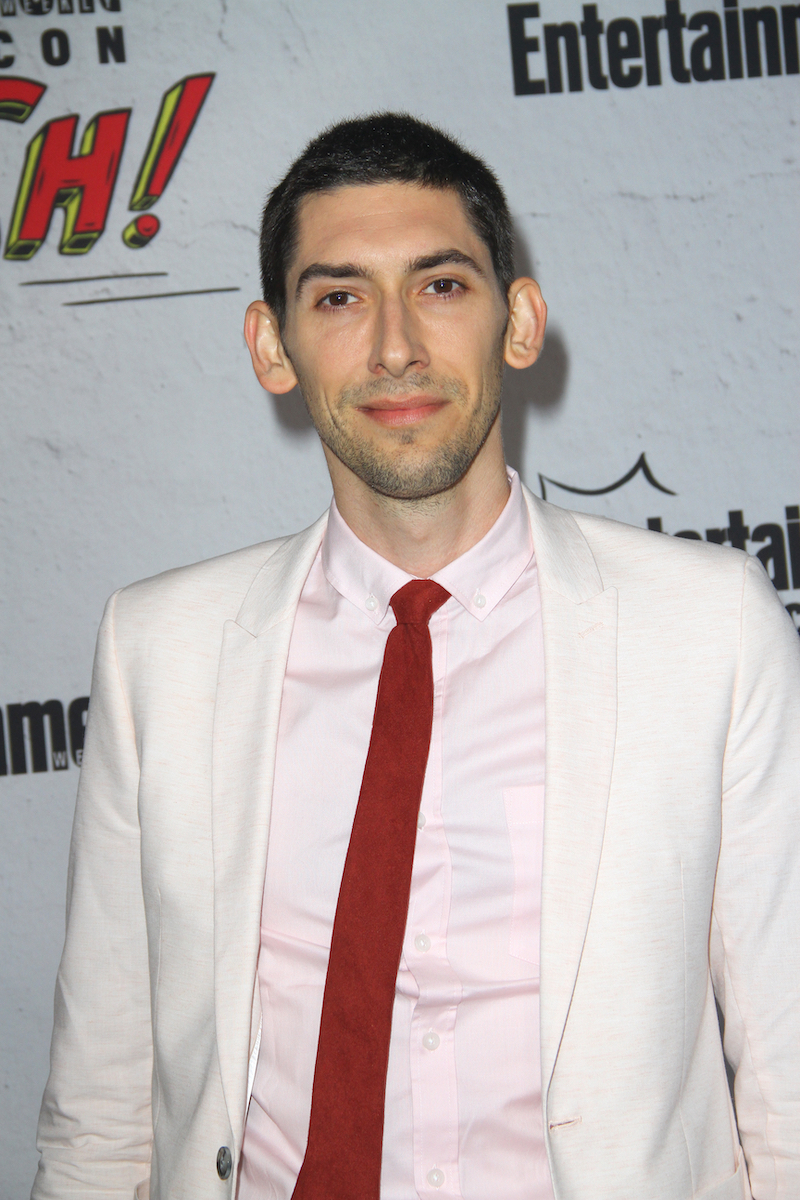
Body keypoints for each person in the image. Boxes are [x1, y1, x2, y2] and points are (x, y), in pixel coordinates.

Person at [32, 113, 799, 1200]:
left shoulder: (705, 627)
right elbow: (101, 1101)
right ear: (270, 347)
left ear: (518, 322)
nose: (394, 345)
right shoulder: (160, 648)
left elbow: (786, 1067)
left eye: (439, 286)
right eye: (338, 297)